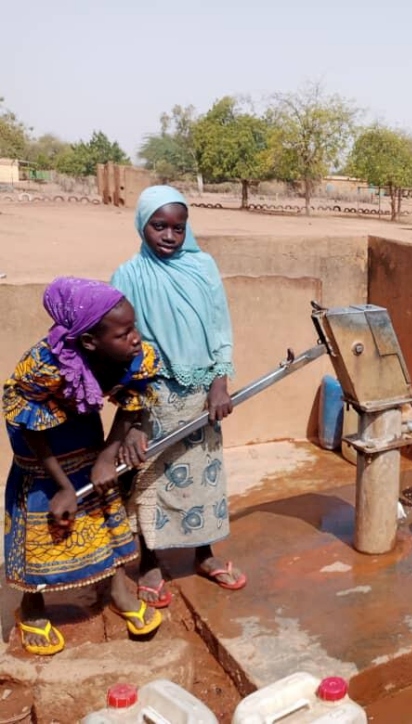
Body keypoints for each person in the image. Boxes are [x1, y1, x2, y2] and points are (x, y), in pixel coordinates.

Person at [4, 277, 163, 656]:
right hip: (37, 439)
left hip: (80, 418)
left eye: (134, 328)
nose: (136, 338)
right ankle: (32, 606)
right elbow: (30, 426)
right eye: (124, 333)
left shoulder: (134, 355)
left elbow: (132, 401)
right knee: (45, 514)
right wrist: (62, 485)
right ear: (89, 342)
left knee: (102, 499)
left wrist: (108, 456)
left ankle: (118, 589)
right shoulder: (42, 366)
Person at [111, 185, 246, 607]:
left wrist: (219, 382)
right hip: (153, 394)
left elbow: (219, 324)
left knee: (202, 478)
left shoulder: (203, 267)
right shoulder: (128, 275)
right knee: (150, 479)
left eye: (178, 227)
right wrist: (131, 414)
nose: (169, 235)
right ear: (142, 225)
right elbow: (121, 345)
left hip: (202, 393)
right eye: (159, 226)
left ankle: (203, 554)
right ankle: (150, 561)